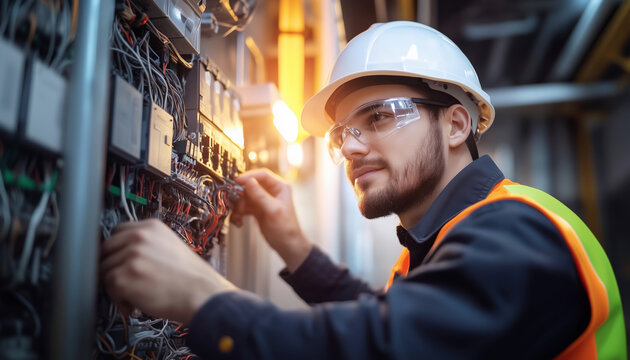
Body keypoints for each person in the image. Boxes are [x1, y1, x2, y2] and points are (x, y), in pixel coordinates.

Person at [100, 21, 626, 359]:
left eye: (378, 117)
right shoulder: (442, 245)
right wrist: (294, 248)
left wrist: (202, 295)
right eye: (342, 133)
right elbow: (391, 318)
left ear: (457, 125)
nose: (350, 147)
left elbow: (385, 348)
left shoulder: (519, 230)